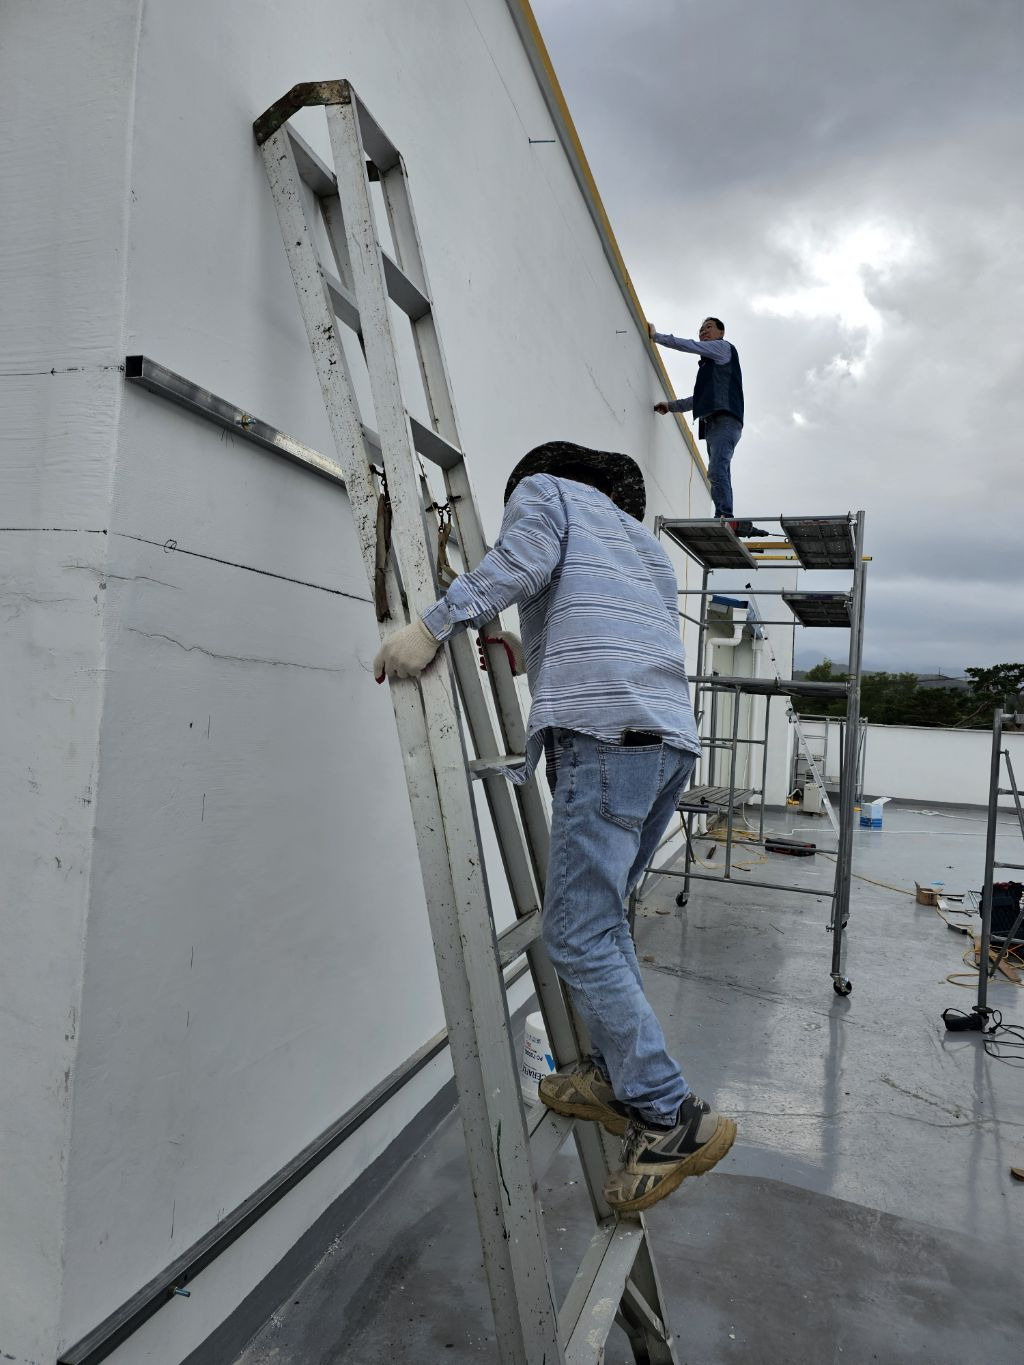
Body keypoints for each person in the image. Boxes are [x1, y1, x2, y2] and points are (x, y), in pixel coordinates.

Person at [373, 441, 736, 1213]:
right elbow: (603, 629)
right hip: (664, 744)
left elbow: (521, 563)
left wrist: (430, 627)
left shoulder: (547, 491)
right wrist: (520, 646)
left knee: (574, 933)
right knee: (600, 925)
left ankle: (669, 1114)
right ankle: (615, 1072)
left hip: (603, 741)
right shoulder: (638, 542)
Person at [649, 316, 745, 525]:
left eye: (708, 327)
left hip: (725, 419)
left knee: (717, 470)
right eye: (701, 329)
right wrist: (671, 406)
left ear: (721, 333)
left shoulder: (722, 348)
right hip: (714, 424)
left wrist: (657, 337)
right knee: (720, 471)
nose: (703, 332)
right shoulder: (711, 366)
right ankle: (724, 515)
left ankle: (725, 516)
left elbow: (689, 345)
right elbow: (699, 399)